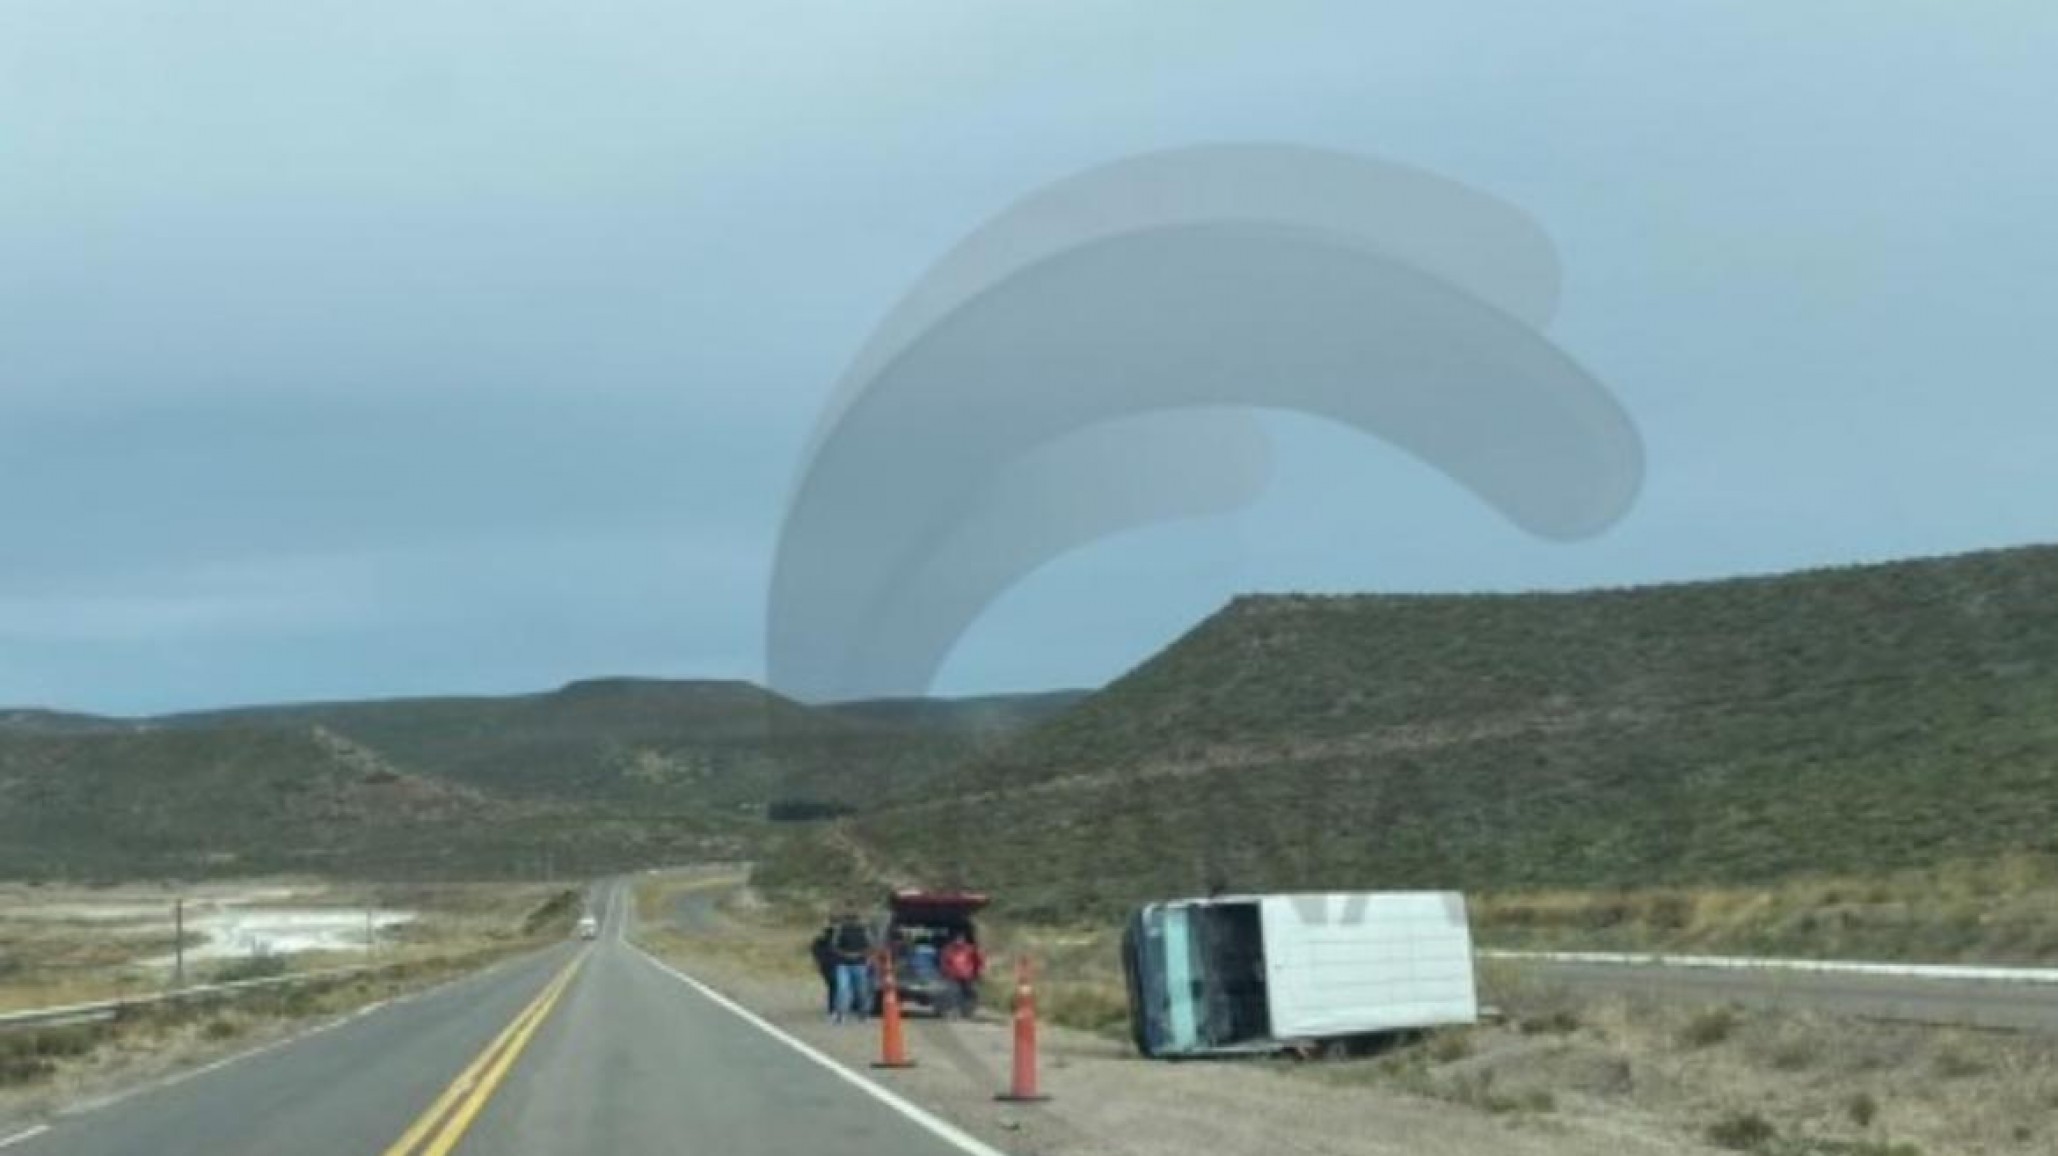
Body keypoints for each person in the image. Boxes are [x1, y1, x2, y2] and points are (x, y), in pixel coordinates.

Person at [830, 914, 873, 1023]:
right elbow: (834, 946)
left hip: (859, 964)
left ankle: (863, 1013)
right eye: (849, 918)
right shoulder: (840, 930)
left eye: (853, 919)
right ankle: (841, 1013)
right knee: (843, 989)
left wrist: (860, 955)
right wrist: (845, 954)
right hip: (843, 964)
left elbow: (871, 946)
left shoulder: (864, 931)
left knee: (861, 991)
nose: (852, 921)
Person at [939, 932, 983, 1019]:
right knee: (954, 993)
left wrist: (977, 972)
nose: (959, 941)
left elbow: (978, 961)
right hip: (954, 974)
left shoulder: (970, 949)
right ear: (954, 940)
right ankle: (955, 1010)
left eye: (961, 939)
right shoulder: (949, 949)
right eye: (958, 939)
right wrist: (945, 971)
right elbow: (944, 961)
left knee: (967, 993)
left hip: (967, 975)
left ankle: (966, 1010)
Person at [808, 924, 838, 1015]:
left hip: (827, 966)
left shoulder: (819, 943)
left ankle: (833, 1007)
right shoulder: (823, 943)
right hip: (829, 965)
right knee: (834, 986)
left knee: (833, 986)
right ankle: (833, 1007)